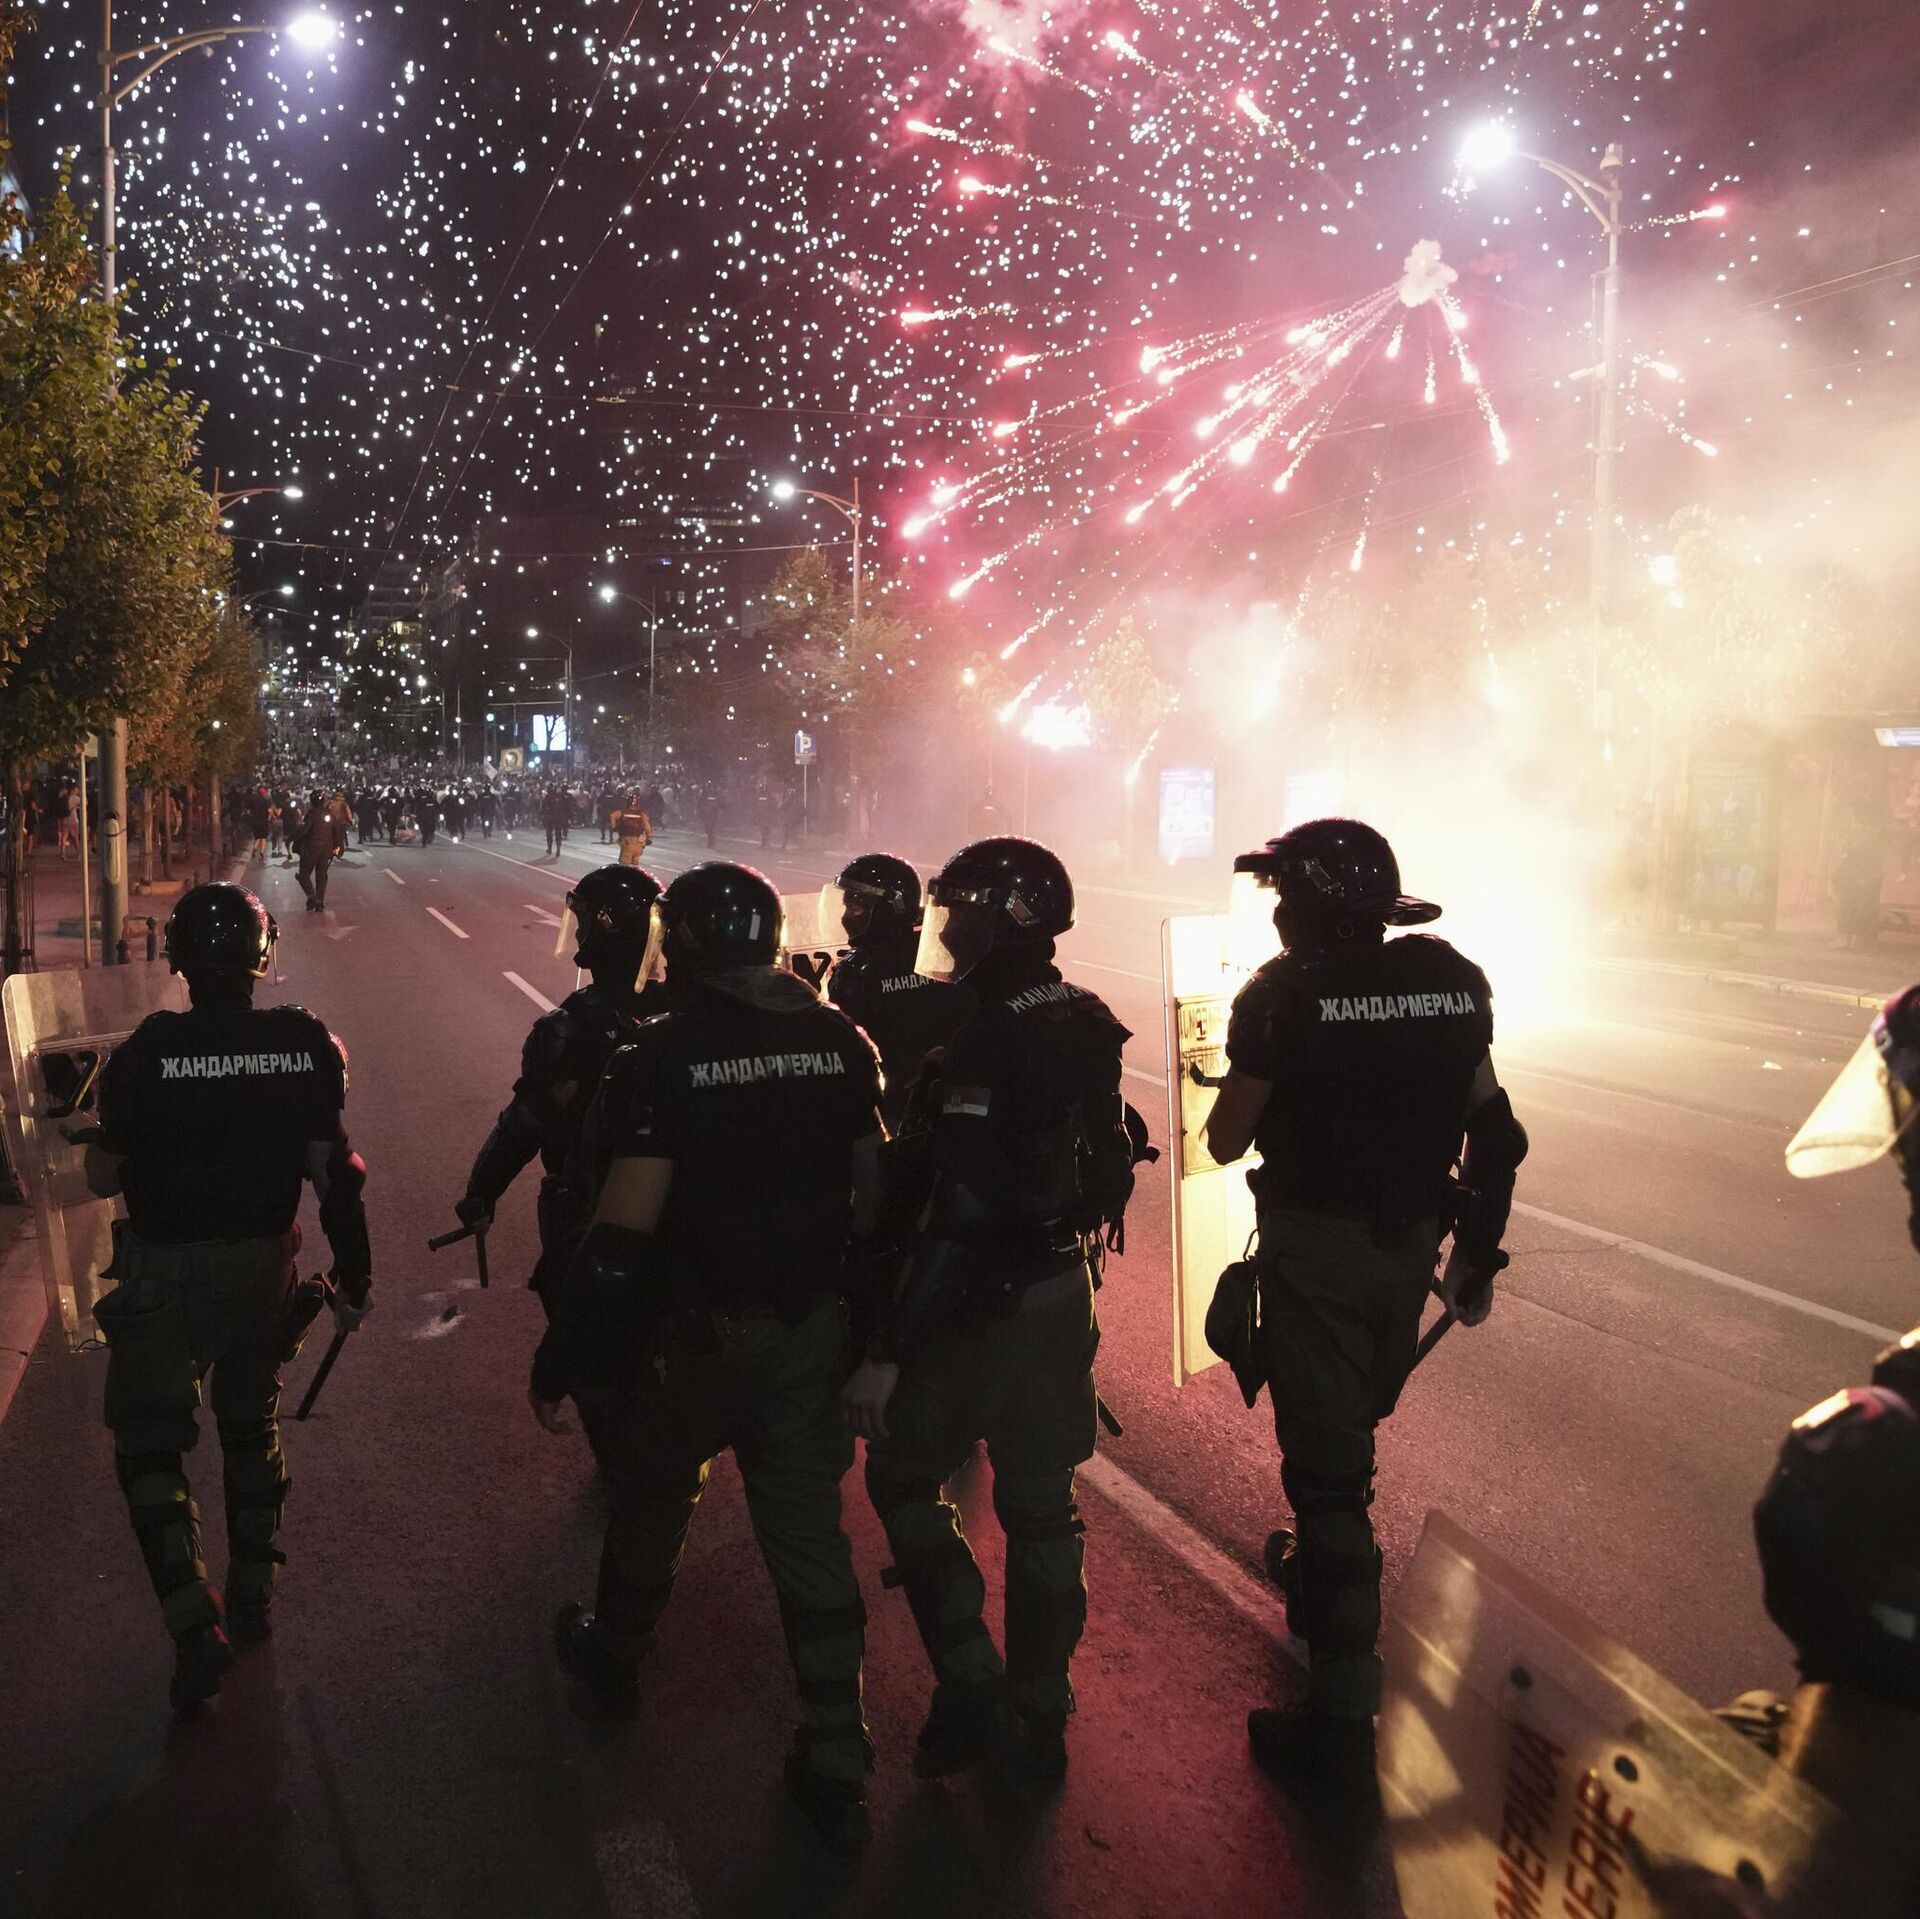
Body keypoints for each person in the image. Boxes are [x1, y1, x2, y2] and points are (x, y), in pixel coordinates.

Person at [532, 862, 885, 1852]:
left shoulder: (659, 1055)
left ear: (679, 946)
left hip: (692, 1336)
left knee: (653, 1496)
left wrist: (565, 1351)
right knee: (809, 1536)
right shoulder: (840, 1039)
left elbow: (620, 1234)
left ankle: (615, 1654)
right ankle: (839, 1751)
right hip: (807, 1329)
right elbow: (874, 1201)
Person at [1201, 818, 1523, 1793]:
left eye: (1282, 896)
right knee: (1350, 1427)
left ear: (1304, 906)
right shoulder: (1450, 979)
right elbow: (1497, 1135)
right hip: (1410, 1252)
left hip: (1320, 1254)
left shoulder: (1279, 995)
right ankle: (1317, 1573)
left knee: (1330, 1474)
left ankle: (1341, 1716)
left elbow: (1225, 1141)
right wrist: (1475, 1258)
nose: (1276, 913)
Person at [842, 837, 1135, 1784]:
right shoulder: (1084, 1014)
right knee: (1046, 1508)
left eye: (962, 910)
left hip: (982, 1302)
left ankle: (970, 1675)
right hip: (1064, 1289)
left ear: (1002, 921)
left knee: (900, 1477)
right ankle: (1042, 1709)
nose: (948, 927)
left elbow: (960, 1206)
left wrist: (889, 1348)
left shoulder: (985, 1038)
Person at [82, 883, 374, 1711]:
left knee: (150, 1447)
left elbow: (102, 1174)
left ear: (178, 960)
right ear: (260, 955)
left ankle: (192, 1621)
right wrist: (356, 1276)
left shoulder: (146, 1051)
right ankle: (253, 1595)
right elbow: (335, 1176)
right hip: (260, 1271)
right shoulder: (304, 1043)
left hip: (163, 1279)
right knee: (250, 1424)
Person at [456, 865, 667, 1459]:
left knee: (580, 1316)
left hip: (589, 1200)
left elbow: (526, 1123)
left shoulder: (571, 1028)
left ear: (605, 930)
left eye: (585, 924)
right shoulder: (687, 1011)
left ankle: (617, 1443)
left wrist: (481, 1192)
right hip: (679, 1197)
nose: (577, 935)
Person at [823, 853, 978, 1133]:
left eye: (855, 908)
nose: (846, 917)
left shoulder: (858, 971)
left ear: (888, 907)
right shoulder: (943, 953)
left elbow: (841, 1053)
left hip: (890, 1112)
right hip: (955, 1101)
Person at [292, 792, 334, 914]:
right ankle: (319, 901)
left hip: (312, 849)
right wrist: (336, 849)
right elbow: (337, 833)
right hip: (325, 849)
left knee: (303, 875)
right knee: (321, 876)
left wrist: (292, 839)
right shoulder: (328, 815)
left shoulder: (311, 814)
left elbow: (305, 830)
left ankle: (313, 897)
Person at [614, 795, 653, 869]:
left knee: (624, 865)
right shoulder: (641, 815)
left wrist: (614, 827)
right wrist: (649, 838)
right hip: (638, 843)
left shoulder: (623, 813)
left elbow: (612, 816)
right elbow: (647, 828)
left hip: (627, 842)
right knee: (635, 865)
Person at [542, 784, 571, 859]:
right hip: (559, 817)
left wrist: (543, 815)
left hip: (551, 817)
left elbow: (544, 808)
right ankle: (558, 848)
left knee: (549, 833)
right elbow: (566, 807)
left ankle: (550, 848)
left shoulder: (548, 797)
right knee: (558, 833)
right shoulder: (560, 796)